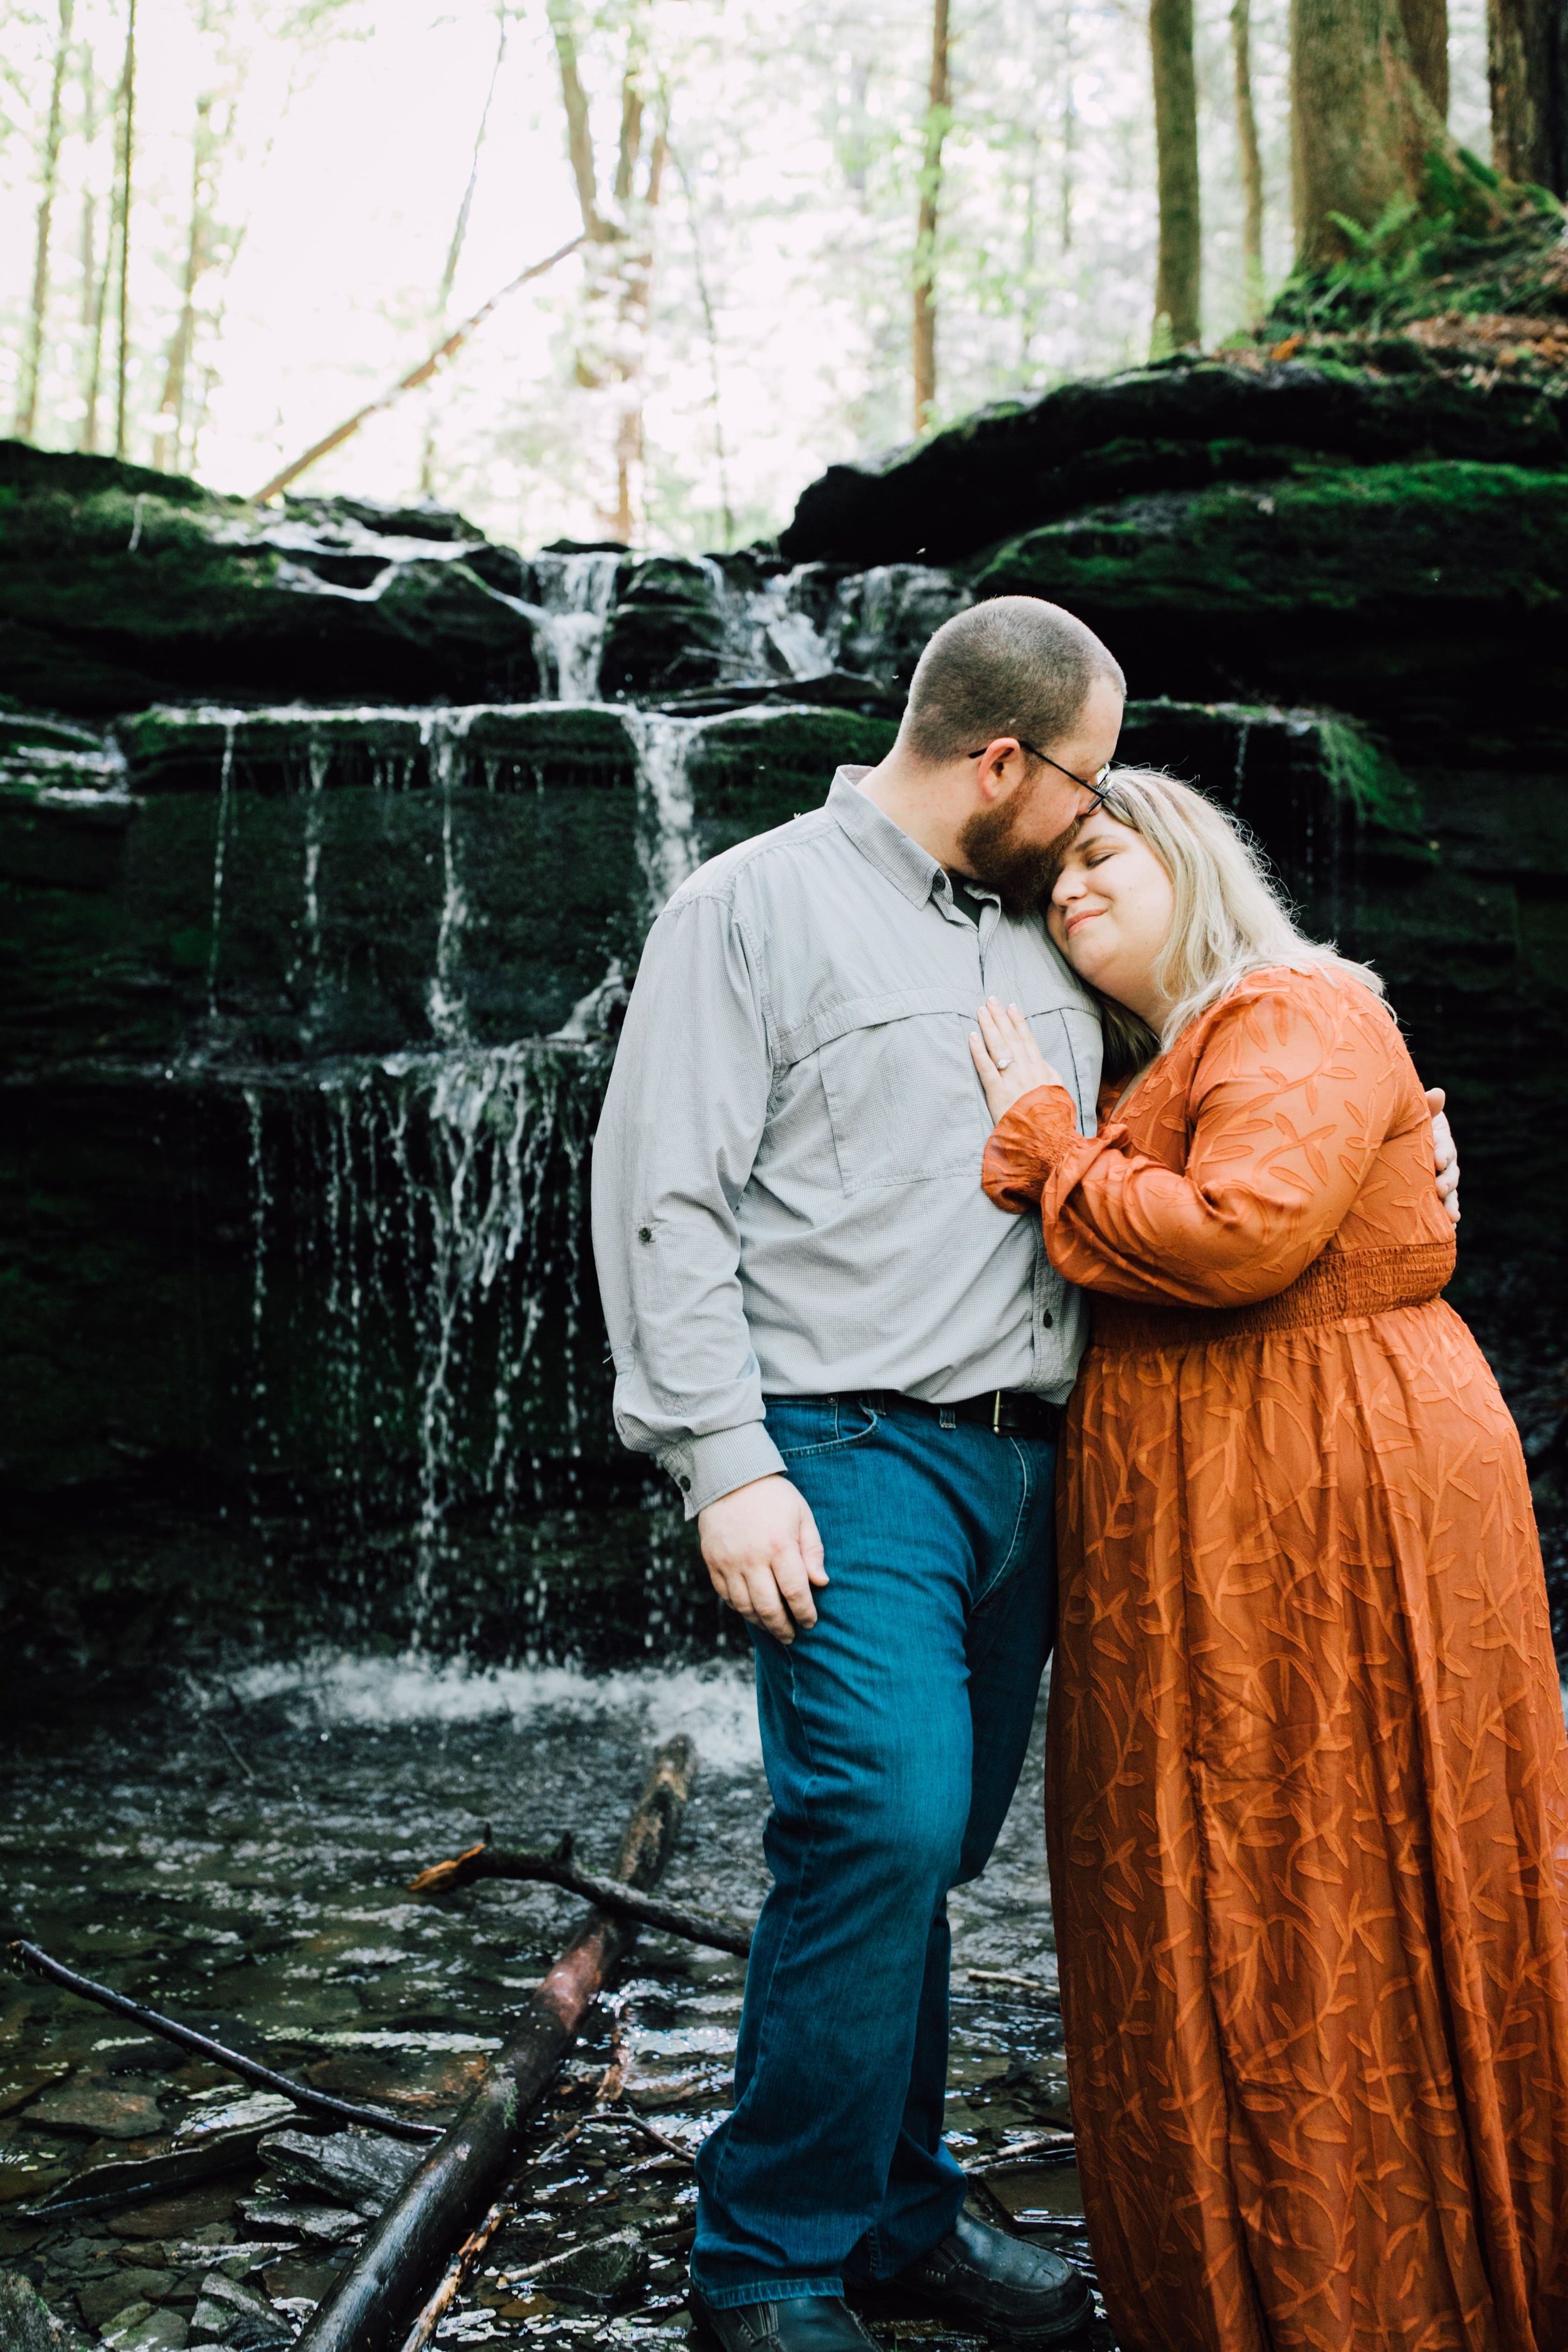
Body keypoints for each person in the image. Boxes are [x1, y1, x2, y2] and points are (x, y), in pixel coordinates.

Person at [591, 597, 1457, 2352]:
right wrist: (720, 1457)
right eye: (1079, 775)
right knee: (882, 1818)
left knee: (937, 1844)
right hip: (842, 1446)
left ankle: (899, 2209)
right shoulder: (747, 905)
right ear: (1001, 757)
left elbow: (1226, 1098)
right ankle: (763, 2257)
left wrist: (1394, 1116)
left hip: (1046, 1470)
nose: (1096, 814)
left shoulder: (1056, 934)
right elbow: (662, 1190)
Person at [969, 768, 1568, 2352]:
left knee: (1320, 1861)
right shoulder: (1191, 1043)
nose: (1071, 891)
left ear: (1190, 858)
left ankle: (1376, 2281)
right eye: (1049, 885)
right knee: (1231, 1868)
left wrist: (1044, 1147)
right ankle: (1268, 2257)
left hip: (1326, 1493)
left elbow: (1243, 1229)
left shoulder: (1286, 1001)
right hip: (1228, 1498)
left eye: (1101, 856)